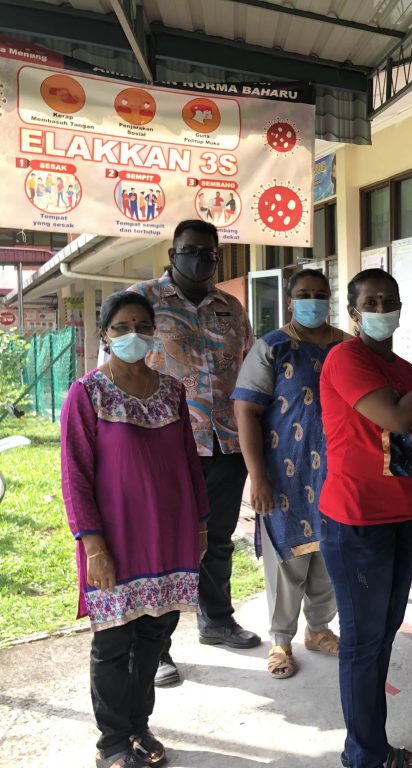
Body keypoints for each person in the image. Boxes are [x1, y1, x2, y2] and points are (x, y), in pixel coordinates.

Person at [319, 268, 412, 768]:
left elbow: (397, 443)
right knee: (364, 641)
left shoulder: (405, 369)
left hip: (404, 513)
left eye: (391, 300)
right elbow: (398, 417)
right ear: (353, 312)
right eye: (373, 301)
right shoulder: (346, 358)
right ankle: (364, 753)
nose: (383, 309)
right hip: (357, 517)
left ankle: (368, 742)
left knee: (383, 630)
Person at [61, 291, 209, 768]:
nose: (134, 335)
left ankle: (140, 727)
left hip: (169, 538)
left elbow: (189, 460)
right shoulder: (86, 393)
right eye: (122, 327)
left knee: (153, 637)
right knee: (111, 644)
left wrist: (201, 524)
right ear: (105, 334)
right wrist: (93, 546)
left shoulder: (172, 390)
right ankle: (112, 743)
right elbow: (75, 475)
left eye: (143, 326)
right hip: (115, 541)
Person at [129, 219, 258, 688]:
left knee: (218, 539)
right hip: (165, 443)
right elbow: (122, 366)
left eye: (208, 252)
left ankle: (217, 621)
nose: (199, 259)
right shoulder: (142, 299)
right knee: (165, 544)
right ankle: (158, 648)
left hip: (225, 441)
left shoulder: (232, 308)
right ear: (172, 253)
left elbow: (246, 371)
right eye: (190, 250)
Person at [233, 269, 348, 679]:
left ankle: (318, 630)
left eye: (320, 294)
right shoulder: (272, 347)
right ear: (289, 301)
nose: (313, 300)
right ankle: (280, 639)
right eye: (304, 294)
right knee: (287, 562)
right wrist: (257, 477)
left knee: (331, 556)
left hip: (339, 473)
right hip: (286, 475)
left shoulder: (347, 346)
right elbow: (246, 409)